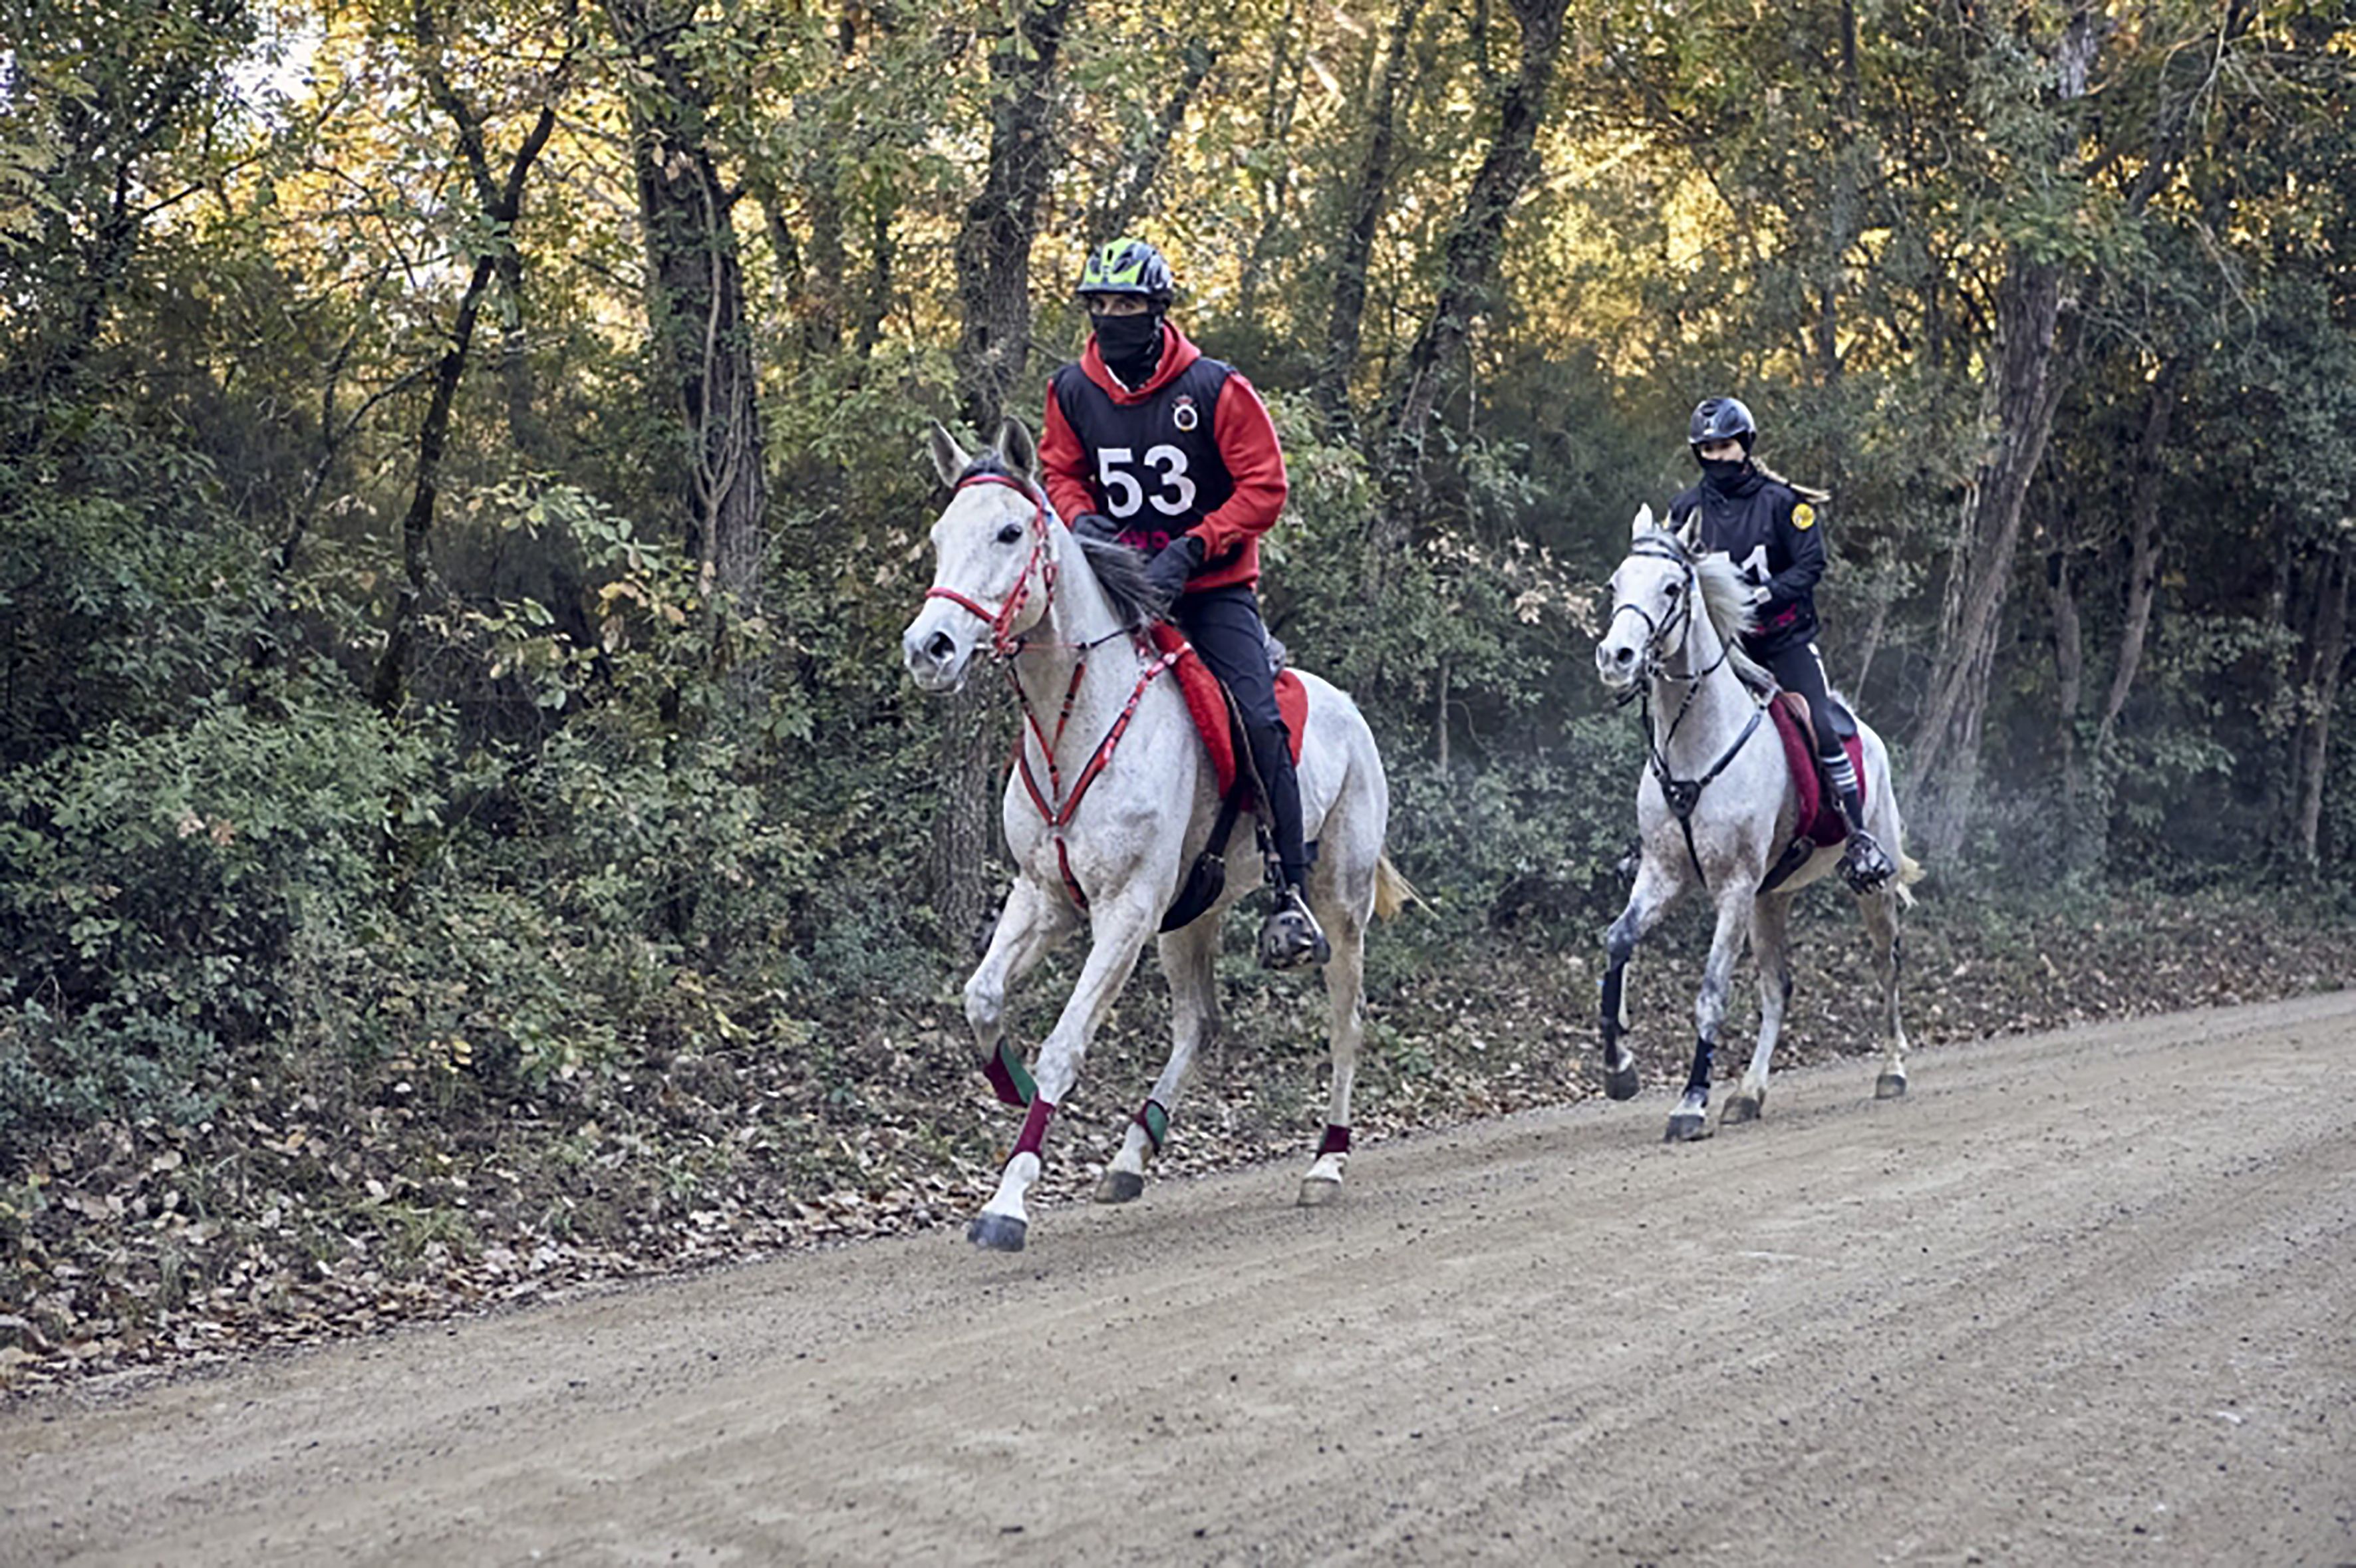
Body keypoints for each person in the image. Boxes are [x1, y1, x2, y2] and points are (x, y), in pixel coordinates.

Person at [1038, 237, 1330, 968]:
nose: (1111, 318)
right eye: (1099, 305)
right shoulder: (1070, 391)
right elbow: (1059, 472)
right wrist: (1080, 522)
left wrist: (1196, 544)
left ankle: (1289, 892)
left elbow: (1265, 485)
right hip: (1113, 587)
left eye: (1127, 305)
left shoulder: (1214, 388)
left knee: (1257, 715)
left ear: (1157, 309)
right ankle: (1035, 866)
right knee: (1042, 683)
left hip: (1207, 588)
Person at [1668, 395, 1894, 891]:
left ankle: (1860, 838)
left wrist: (1767, 594)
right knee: (1674, 718)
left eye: (1725, 447)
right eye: (1706, 449)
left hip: (1784, 640)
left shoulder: (1785, 504)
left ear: (1744, 446)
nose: (1716, 457)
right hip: (1725, 649)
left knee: (1821, 721)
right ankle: (1656, 835)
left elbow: (1811, 566)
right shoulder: (1686, 510)